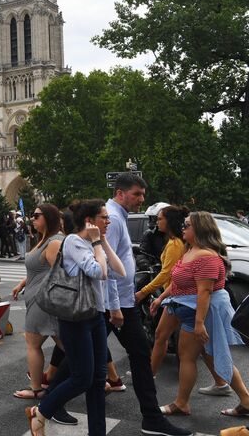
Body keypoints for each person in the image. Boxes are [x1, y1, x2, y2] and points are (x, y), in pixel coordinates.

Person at [27, 199, 126, 436]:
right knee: (82, 378)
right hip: (75, 318)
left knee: (97, 379)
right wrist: (96, 243)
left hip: (95, 315)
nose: (109, 220)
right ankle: (41, 412)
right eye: (104, 217)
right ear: (90, 221)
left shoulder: (95, 243)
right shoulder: (73, 241)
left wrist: (101, 243)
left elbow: (119, 271)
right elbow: (98, 272)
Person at [104, 173, 192, 436]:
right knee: (89, 356)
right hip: (117, 302)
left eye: (143, 194)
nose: (142, 200)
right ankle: (47, 405)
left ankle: (152, 418)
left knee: (135, 355)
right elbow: (107, 266)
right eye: (137, 194)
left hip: (122, 300)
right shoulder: (114, 218)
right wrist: (116, 306)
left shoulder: (118, 216)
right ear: (120, 193)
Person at [152, 212, 249, 417]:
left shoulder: (206, 256)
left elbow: (204, 292)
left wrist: (199, 324)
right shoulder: (190, 249)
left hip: (199, 312)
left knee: (189, 357)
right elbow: (178, 281)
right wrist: (161, 299)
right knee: (212, 354)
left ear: (200, 229)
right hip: (185, 307)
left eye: (187, 225)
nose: (183, 227)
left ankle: (181, 403)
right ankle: (245, 400)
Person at [12, 204, 64, 400]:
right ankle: (96, 379)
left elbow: (59, 274)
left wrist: (45, 294)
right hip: (37, 299)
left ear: (48, 218)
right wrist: (22, 283)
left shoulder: (54, 242)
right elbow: (38, 269)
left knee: (33, 342)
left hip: (42, 302)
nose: (32, 219)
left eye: (36, 216)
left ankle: (36, 389)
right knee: (68, 344)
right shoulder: (44, 239)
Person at [136, 205, 190, 376]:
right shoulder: (174, 241)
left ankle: (150, 374)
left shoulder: (175, 244)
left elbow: (167, 273)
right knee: (161, 336)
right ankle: (150, 372)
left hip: (177, 295)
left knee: (164, 337)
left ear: (170, 221)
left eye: (160, 219)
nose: (156, 222)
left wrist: (144, 291)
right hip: (174, 294)